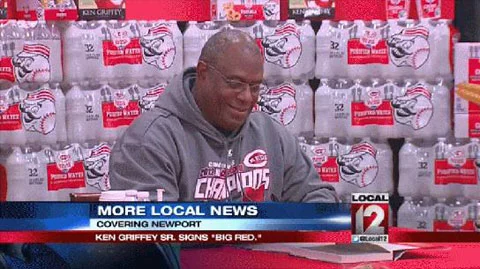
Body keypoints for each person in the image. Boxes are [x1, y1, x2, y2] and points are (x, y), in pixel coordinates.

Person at [109, 29, 338, 203]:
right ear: (203, 74)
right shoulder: (148, 141)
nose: (247, 97)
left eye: (255, 87)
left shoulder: (271, 134)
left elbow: (317, 198)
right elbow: (154, 239)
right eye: (235, 84)